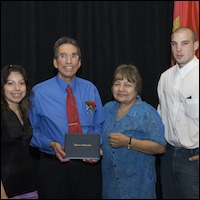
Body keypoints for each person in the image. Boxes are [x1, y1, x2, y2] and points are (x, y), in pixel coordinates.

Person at [29, 36, 105, 199]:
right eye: (63, 56)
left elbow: (100, 124)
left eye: (73, 55)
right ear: (55, 62)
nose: (69, 60)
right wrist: (50, 144)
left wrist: (94, 147)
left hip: (88, 168)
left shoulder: (90, 89)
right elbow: (31, 131)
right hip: (53, 168)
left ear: (79, 62)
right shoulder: (38, 93)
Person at [101, 64, 166, 199]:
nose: (121, 89)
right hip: (111, 188)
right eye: (117, 84)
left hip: (138, 188)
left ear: (137, 89)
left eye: (128, 85)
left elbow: (160, 147)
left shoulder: (147, 112)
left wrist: (128, 142)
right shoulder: (107, 109)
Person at [157, 27, 199, 199]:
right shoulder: (165, 77)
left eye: (185, 43)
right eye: (174, 44)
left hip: (193, 158)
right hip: (168, 154)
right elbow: (161, 113)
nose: (179, 49)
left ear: (196, 45)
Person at [1, 64, 39, 199]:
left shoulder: (27, 112)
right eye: (10, 83)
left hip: (29, 186)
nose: (17, 88)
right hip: (6, 189)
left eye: (21, 83)